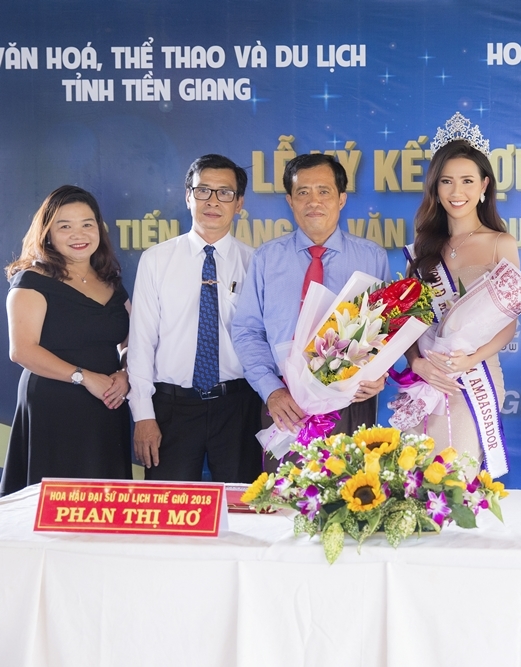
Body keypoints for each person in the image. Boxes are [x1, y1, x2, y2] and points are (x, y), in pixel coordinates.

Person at [232, 153, 390, 437]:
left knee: (355, 469)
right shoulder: (267, 259)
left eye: (324, 191)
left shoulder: (371, 258)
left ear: (341, 199)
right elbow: (247, 331)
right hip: (285, 404)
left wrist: (379, 374)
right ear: (290, 201)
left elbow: (386, 329)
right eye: (303, 192)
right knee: (286, 470)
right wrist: (271, 390)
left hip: (351, 399)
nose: (313, 201)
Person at [126, 155, 262, 482]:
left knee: (242, 505)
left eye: (224, 192)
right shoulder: (156, 260)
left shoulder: (256, 263)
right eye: (203, 191)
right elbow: (142, 343)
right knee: (167, 507)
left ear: (239, 203)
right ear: (188, 196)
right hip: (172, 408)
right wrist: (143, 415)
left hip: (237, 407)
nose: (213, 201)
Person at [1, 186, 131, 495]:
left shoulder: (110, 282)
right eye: (65, 226)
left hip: (107, 403)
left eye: (87, 224)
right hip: (54, 405)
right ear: (48, 234)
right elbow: (22, 350)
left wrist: (125, 373)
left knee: (104, 503)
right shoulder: (32, 280)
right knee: (57, 503)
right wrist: (83, 377)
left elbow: (130, 340)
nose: (78, 234)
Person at [403, 138, 520, 465]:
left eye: (467, 181)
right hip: (427, 377)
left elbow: (509, 323)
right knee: (412, 476)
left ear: (484, 185)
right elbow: (406, 323)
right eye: (447, 181)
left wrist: (470, 360)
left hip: (474, 377)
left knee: (457, 477)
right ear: (435, 188)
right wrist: (417, 364)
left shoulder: (500, 243)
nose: (457, 191)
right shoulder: (422, 248)